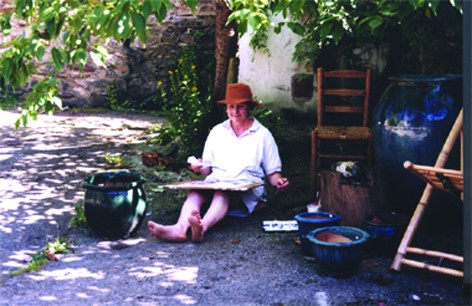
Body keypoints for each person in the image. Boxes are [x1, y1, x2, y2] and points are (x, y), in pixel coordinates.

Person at [148, 83, 289, 242]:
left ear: (249, 107)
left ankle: (202, 227)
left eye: (240, 107)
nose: (235, 112)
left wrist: (279, 181)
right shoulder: (217, 131)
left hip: (245, 188)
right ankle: (179, 229)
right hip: (217, 180)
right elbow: (207, 171)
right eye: (231, 107)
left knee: (222, 192)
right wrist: (198, 167)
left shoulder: (262, 134)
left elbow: (272, 173)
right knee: (195, 192)